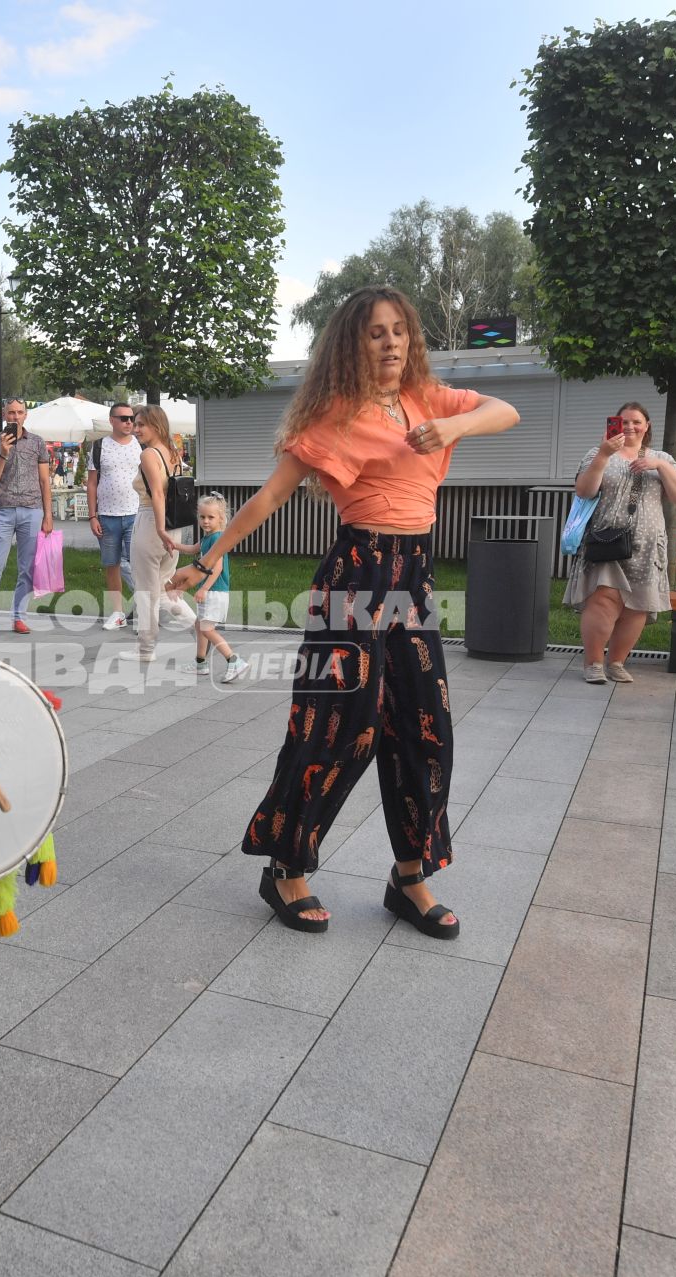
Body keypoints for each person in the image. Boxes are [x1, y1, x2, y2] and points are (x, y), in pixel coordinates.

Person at [167, 286, 519, 933]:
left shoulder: (428, 401)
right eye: (375, 332)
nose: (389, 342)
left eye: (398, 331)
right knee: (333, 728)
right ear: (353, 343)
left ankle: (409, 877)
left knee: (426, 726)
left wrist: (455, 425)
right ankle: (286, 868)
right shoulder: (335, 415)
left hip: (413, 580)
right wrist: (212, 553)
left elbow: (504, 410)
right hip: (356, 577)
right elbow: (270, 498)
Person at [565, 402, 676, 683]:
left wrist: (659, 466)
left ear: (646, 426)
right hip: (605, 540)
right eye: (623, 422)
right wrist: (603, 455)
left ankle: (617, 662)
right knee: (602, 601)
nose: (629, 426)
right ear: (613, 424)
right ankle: (594, 664)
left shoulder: (662, 457)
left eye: (636, 421)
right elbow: (585, 491)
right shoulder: (597, 454)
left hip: (647, 546)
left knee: (637, 605)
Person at [0, 399, 51, 636]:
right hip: (2, 511)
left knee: (27, 568)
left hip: (32, 509)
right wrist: (3, 455)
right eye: (11, 413)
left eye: (19, 412)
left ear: (26, 415)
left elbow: (45, 481)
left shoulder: (37, 442)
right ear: (4, 415)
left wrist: (48, 515)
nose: (15, 417)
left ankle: (19, 616)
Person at [130, 404, 195, 661]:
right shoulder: (173, 453)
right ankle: (200, 630)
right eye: (135, 424)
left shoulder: (149, 455)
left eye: (141, 425)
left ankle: (146, 650)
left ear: (156, 425)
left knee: (146, 591)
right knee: (164, 589)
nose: (136, 430)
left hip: (151, 525)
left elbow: (157, 493)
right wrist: (166, 530)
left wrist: (158, 528)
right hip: (174, 526)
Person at [171, 494, 248, 682]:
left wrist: (204, 588)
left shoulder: (218, 538)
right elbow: (192, 549)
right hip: (210, 592)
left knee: (206, 629)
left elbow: (217, 567)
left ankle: (234, 660)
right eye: (202, 517)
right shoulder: (207, 538)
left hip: (214, 591)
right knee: (200, 626)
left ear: (221, 518)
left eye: (210, 517)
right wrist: (172, 545)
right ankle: (200, 663)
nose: (205, 521)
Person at [86, 403, 141, 628]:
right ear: (112, 420)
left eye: (131, 418)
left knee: (138, 565)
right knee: (112, 564)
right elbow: (91, 483)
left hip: (136, 513)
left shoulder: (141, 445)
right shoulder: (99, 447)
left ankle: (145, 611)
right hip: (107, 515)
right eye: (124, 418)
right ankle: (118, 612)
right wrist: (92, 516)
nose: (129, 422)